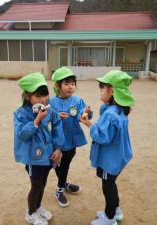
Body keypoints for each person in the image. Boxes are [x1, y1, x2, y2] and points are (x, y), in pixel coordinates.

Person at [80, 70, 135, 225]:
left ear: (112, 91)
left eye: (102, 89)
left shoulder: (111, 115)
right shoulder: (120, 109)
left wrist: (89, 124)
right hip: (118, 157)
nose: (100, 92)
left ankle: (109, 217)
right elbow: (107, 126)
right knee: (111, 184)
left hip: (109, 160)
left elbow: (103, 137)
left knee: (108, 187)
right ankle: (115, 210)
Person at [13, 72, 65, 225]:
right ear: (28, 96)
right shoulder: (20, 113)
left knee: (43, 183)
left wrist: (58, 148)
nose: (42, 100)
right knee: (36, 185)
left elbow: (57, 128)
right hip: (33, 158)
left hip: (48, 156)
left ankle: (37, 207)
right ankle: (30, 213)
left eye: (45, 95)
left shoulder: (50, 111)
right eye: (37, 96)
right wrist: (36, 120)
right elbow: (22, 134)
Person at [49, 67, 93, 207]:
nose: (70, 87)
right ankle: (60, 188)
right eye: (66, 83)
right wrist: (56, 116)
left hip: (72, 139)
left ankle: (63, 183)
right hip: (56, 140)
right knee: (57, 163)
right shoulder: (52, 102)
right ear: (58, 86)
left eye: (73, 83)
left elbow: (82, 115)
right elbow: (46, 120)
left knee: (65, 163)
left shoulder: (78, 100)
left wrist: (86, 113)